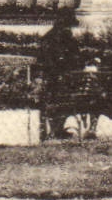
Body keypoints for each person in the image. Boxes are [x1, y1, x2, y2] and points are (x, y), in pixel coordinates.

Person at [34, 9, 82, 139]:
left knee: (54, 100)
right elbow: (77, 60)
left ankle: (56, 129)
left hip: (50, 82)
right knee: (65, 98)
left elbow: (41, 61)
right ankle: (57, 129)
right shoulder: (68, 39)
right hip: (64, 83)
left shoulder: (48, 37)